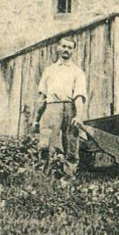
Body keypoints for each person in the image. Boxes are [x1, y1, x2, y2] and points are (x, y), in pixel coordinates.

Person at [35, 38, 88, 176]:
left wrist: (79, 116)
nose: (66, 50)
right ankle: (46, 175)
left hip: (70, 108)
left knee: (71, 142)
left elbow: (79, 96)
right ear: (58, 48)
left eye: (70, 48)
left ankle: (68, 176)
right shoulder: (49, 70)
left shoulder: (77, 72)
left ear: (73, 51)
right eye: (64, 46)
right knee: (47, 143)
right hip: (51, 108)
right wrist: (36, 119)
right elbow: (42, 98)